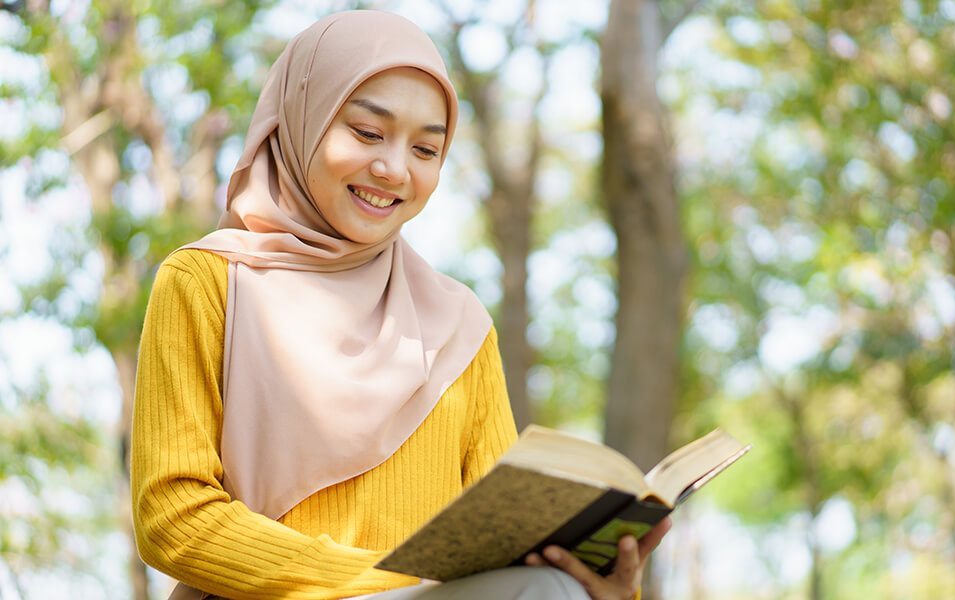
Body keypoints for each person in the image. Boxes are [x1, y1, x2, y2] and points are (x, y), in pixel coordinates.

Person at [130, 10, 670, 600]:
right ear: (302, 120)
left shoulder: (461, 325)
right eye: (366, 133)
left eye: (425, 149)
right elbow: (172, 518)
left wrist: (597, 584)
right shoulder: (206, 283)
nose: (393, 169)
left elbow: (503, 540)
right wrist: (379, 583)